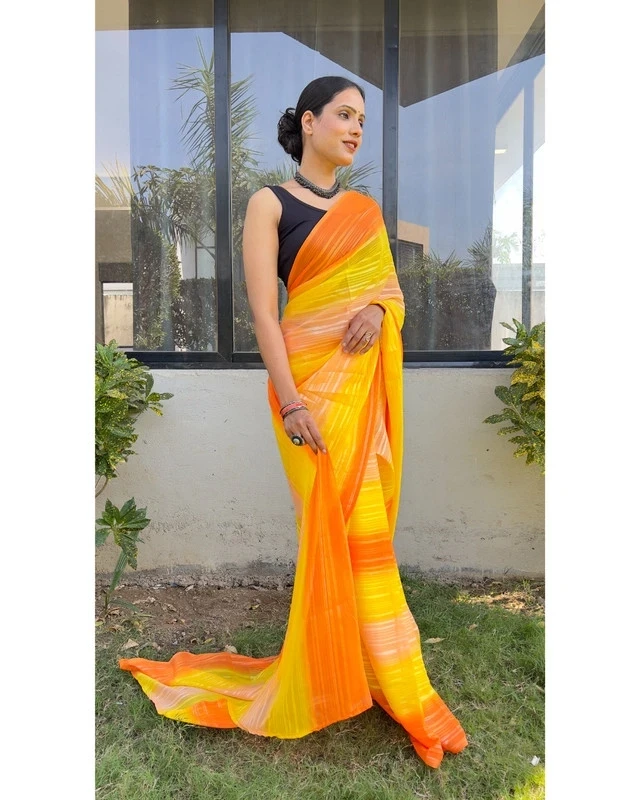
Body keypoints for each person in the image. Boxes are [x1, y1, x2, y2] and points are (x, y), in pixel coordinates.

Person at [120, 75, 468, 769]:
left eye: (362, 118)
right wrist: (292, 402)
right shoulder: (269, 204)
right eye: (344, 114)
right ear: (308, 122)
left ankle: (379, 677)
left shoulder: (364, 212)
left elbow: (390, 293)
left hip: (357, 394)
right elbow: (263, 313)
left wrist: (378, 311)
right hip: (306, 392)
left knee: (363, 537)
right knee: (335, 534)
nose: (356, 127)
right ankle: (375, 680)